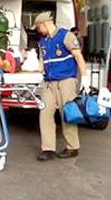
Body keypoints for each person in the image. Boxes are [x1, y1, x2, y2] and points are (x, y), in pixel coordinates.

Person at [34, 12, 89, 161]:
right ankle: (48, 149)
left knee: (67, 114)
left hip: (66, 81)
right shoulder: (42, 42)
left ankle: (72, 147)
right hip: (49, 83)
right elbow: (41, 64)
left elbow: (78, 56)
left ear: (43, 24)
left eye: (38, 28)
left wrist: (84, 78)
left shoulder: (66, 36)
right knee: (45, 114)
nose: (38, 31)